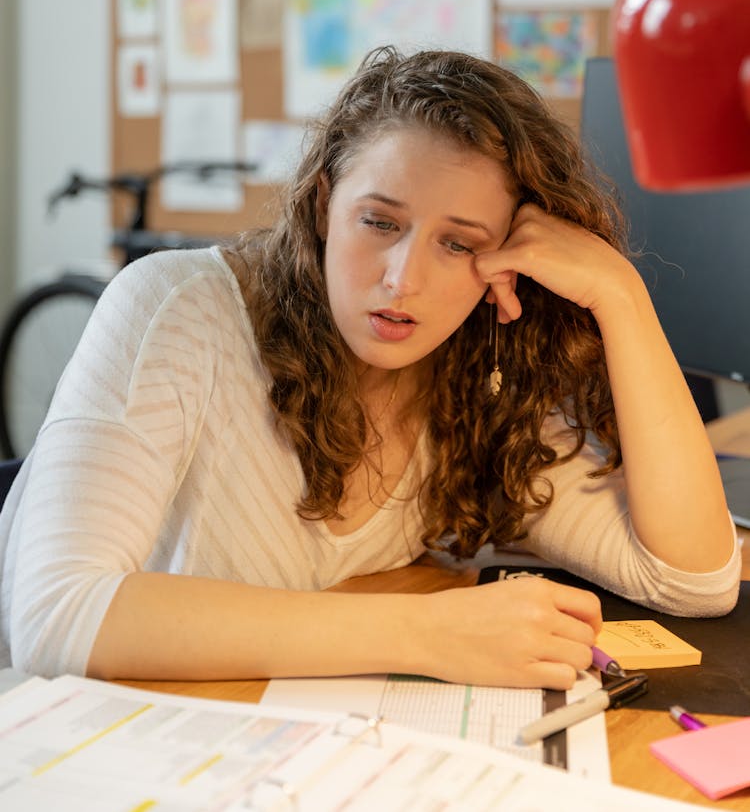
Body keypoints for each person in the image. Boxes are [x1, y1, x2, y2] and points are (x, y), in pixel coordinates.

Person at [0, 47, 740, 689]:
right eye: (380, 222)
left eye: (458, 243)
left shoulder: (472, 385)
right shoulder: (176, 308)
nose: (401, 278)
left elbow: (694, 577)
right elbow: (55, 614)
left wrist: (621, 294)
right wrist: (425, 631)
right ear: (324, 204)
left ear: (505, 258)